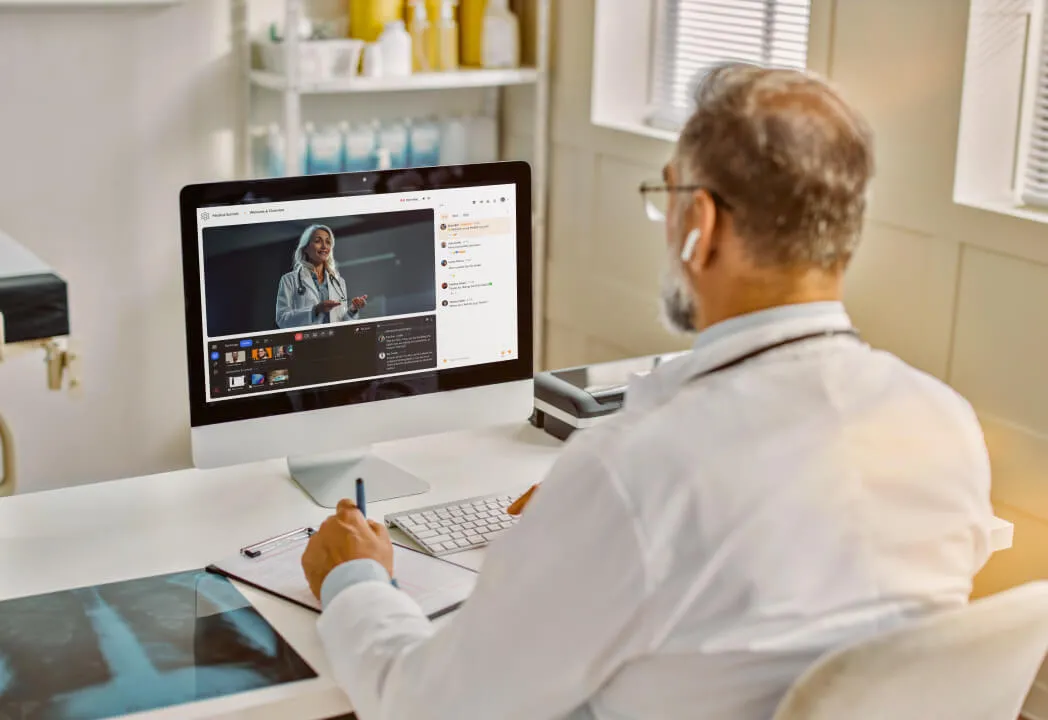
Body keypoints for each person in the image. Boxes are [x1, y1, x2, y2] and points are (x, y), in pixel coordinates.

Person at [300, 63, 993, 719]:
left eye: (669, 196)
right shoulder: (944, 423)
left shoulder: (637, 471)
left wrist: (354, 580)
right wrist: (591, 522)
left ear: (701, 222)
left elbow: (425, 709)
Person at [275, 224, 367, 329]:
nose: (324, 246)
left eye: (328, 242)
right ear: (305, 248)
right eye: (318, 241)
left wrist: (353, 309)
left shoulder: (338, 282)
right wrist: (316, 310)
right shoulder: (289, 280)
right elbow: (282, 320)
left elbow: (341, 322)